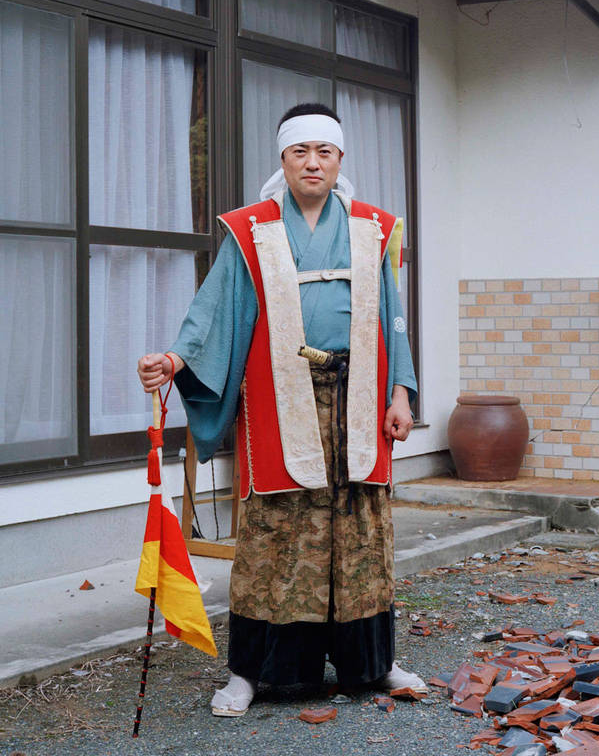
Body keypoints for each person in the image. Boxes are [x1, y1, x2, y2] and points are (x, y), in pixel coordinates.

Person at [137, 102, 422, 716]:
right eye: (300, 152)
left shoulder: (374, 228)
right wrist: (176, 360)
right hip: (279, 399)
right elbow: (213, 310)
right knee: (275, 531)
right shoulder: (251, 230)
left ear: (340, 159)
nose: (312, 163)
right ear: (283, 159)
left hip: (360, 400)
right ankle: (251, 672)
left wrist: (401, 390)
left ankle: (373, 663)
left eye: (324, 151)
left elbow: (391, 317)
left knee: (362, 529)